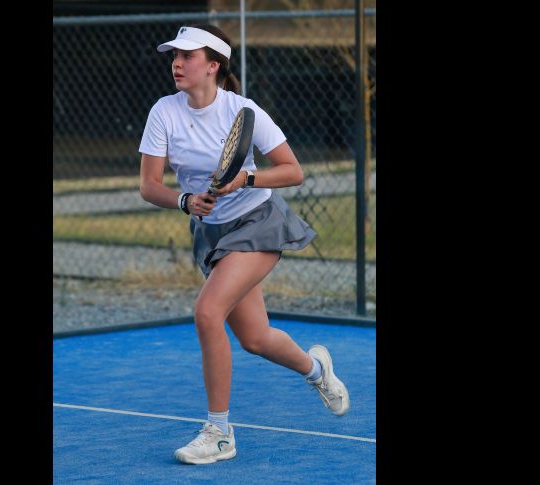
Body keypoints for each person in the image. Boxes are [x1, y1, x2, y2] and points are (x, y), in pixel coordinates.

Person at [138, 24, 349, 465]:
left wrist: (246, 178)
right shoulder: (164, 112)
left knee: (207, 312)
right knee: (255, 338)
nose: (177, 63)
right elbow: (148, 185)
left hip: (258, 221)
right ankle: (317, 371)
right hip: (212, 234)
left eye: (187, 56)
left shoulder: (243, 110)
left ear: (213, 65)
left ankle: (220, 433)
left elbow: (293, 171)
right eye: (174, 56)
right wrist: (184, 200)